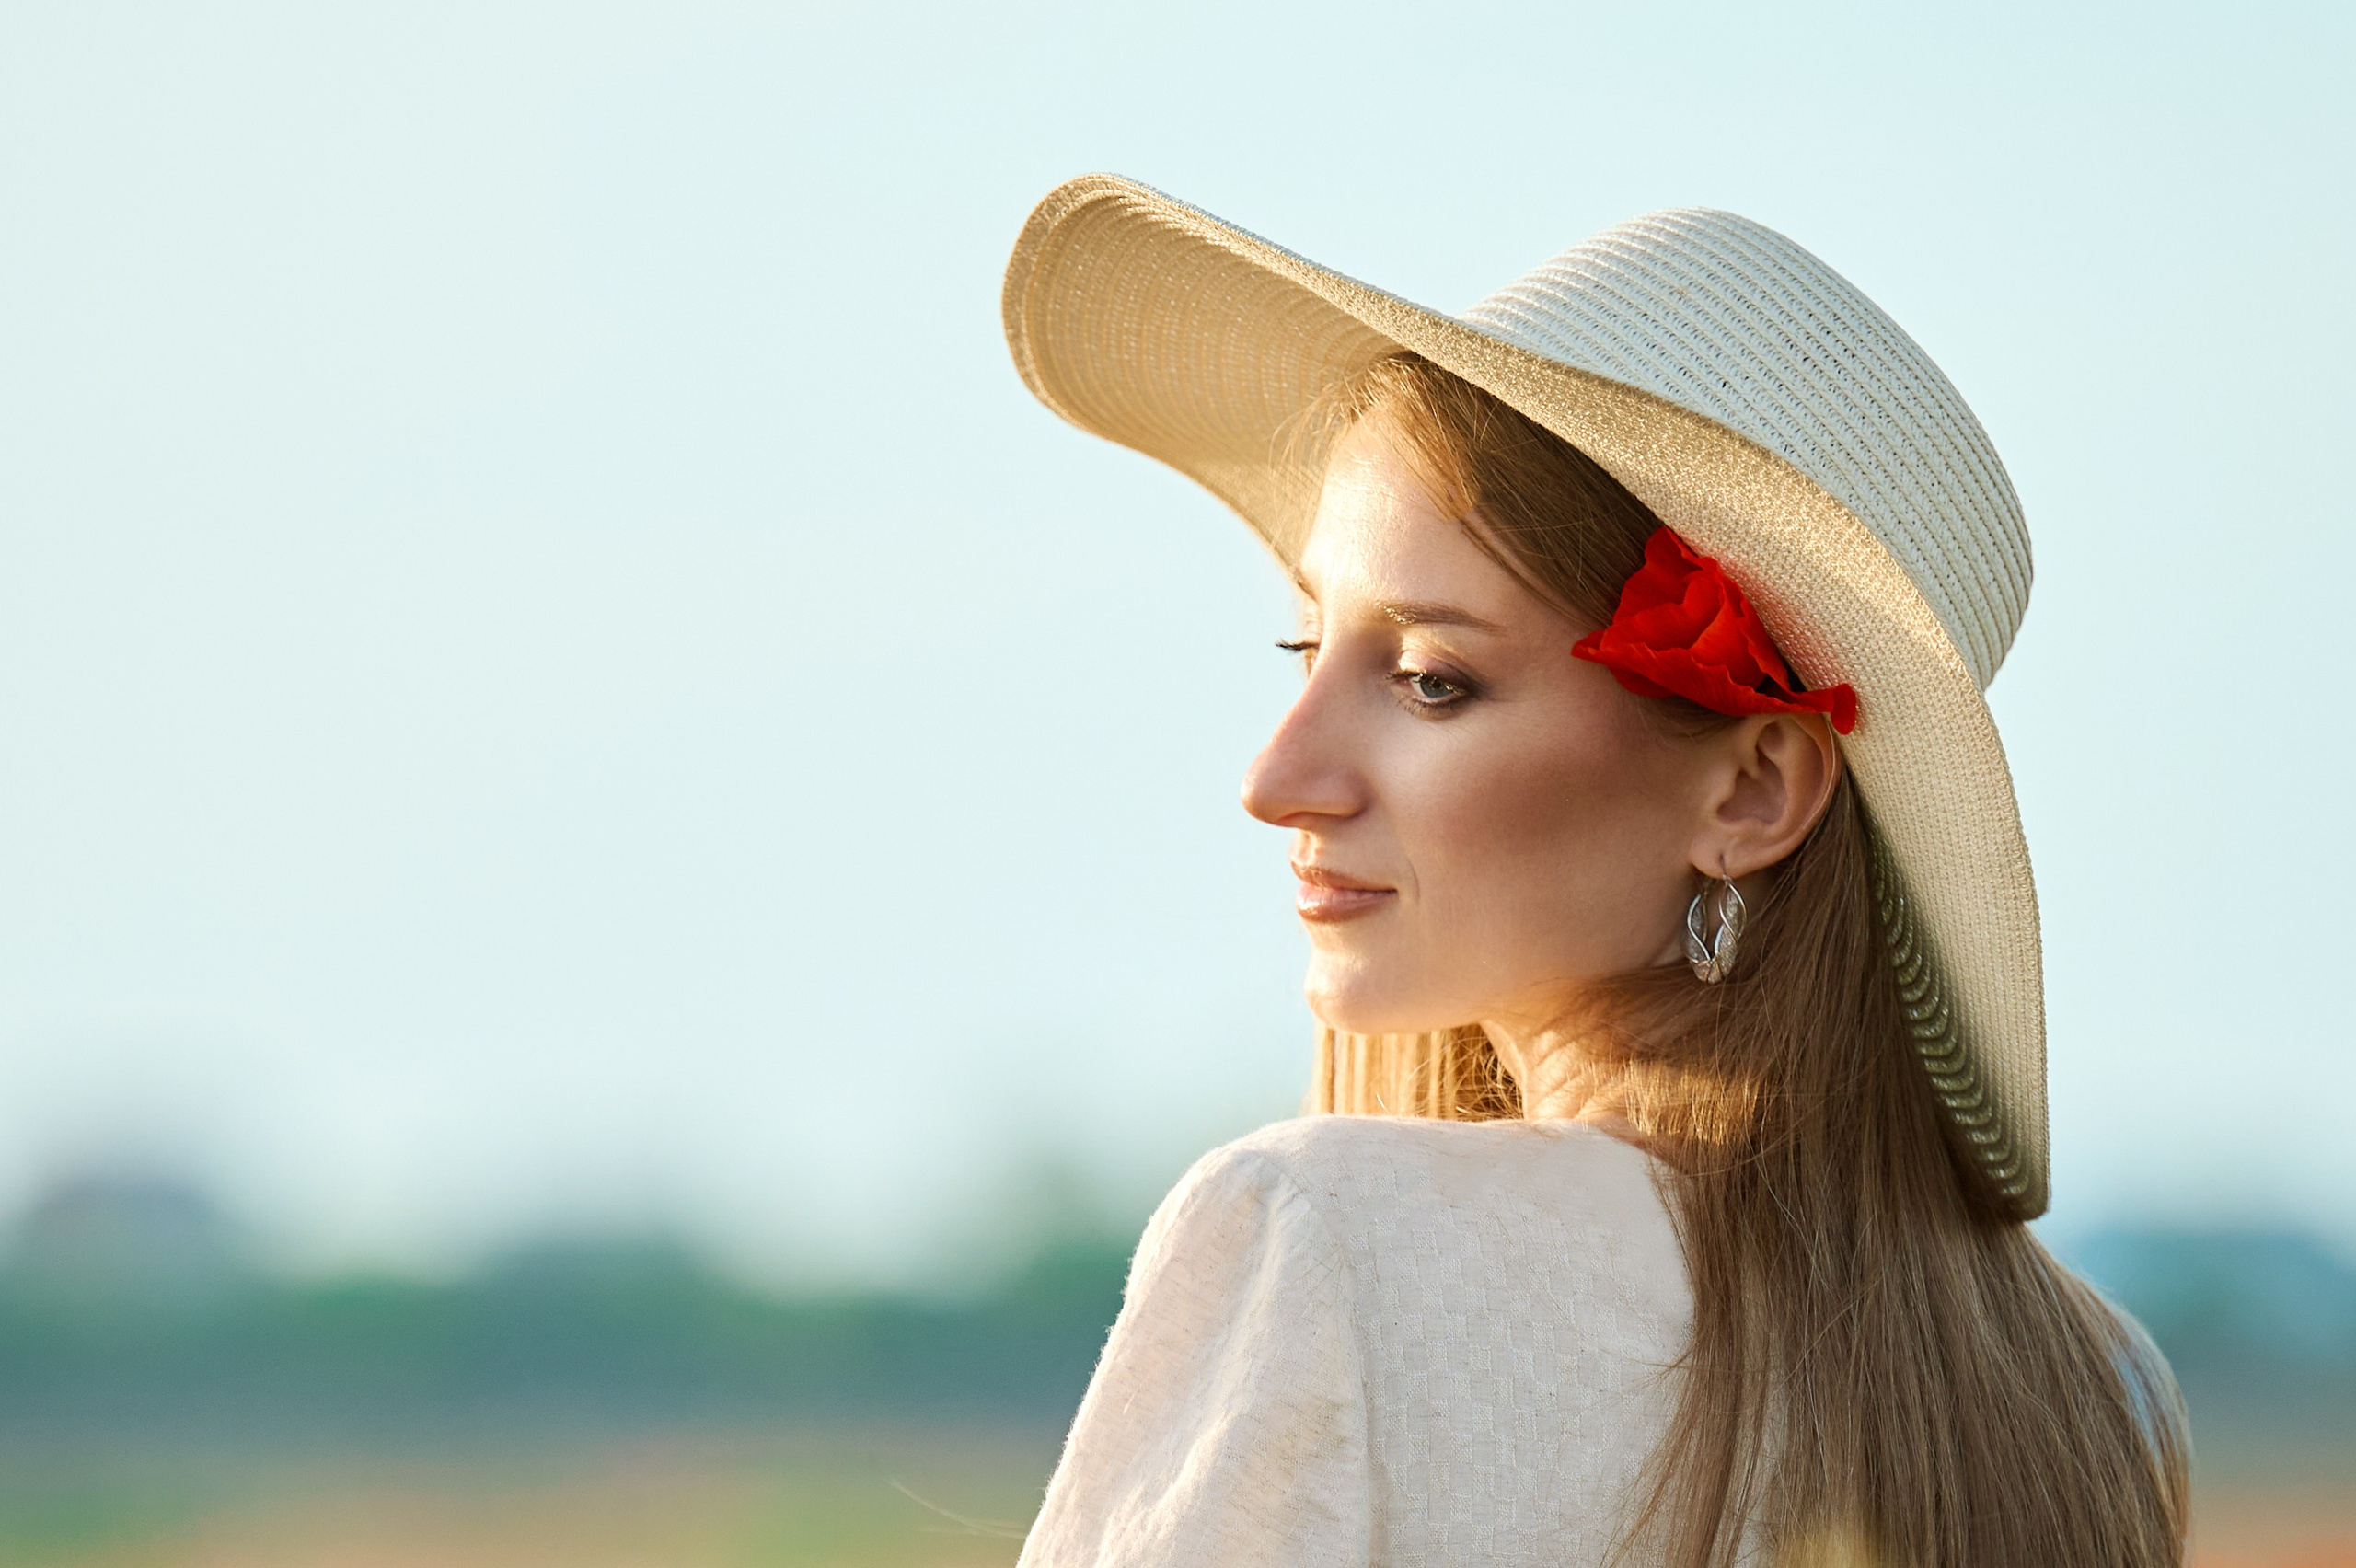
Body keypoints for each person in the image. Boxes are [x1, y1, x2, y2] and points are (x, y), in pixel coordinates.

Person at [999, 177, 2189, 1568]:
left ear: (1754, 789)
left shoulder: (1323, 1245)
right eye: (1303, 649)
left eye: (1432, 680)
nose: (1278, 780)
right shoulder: (2102, 1395)